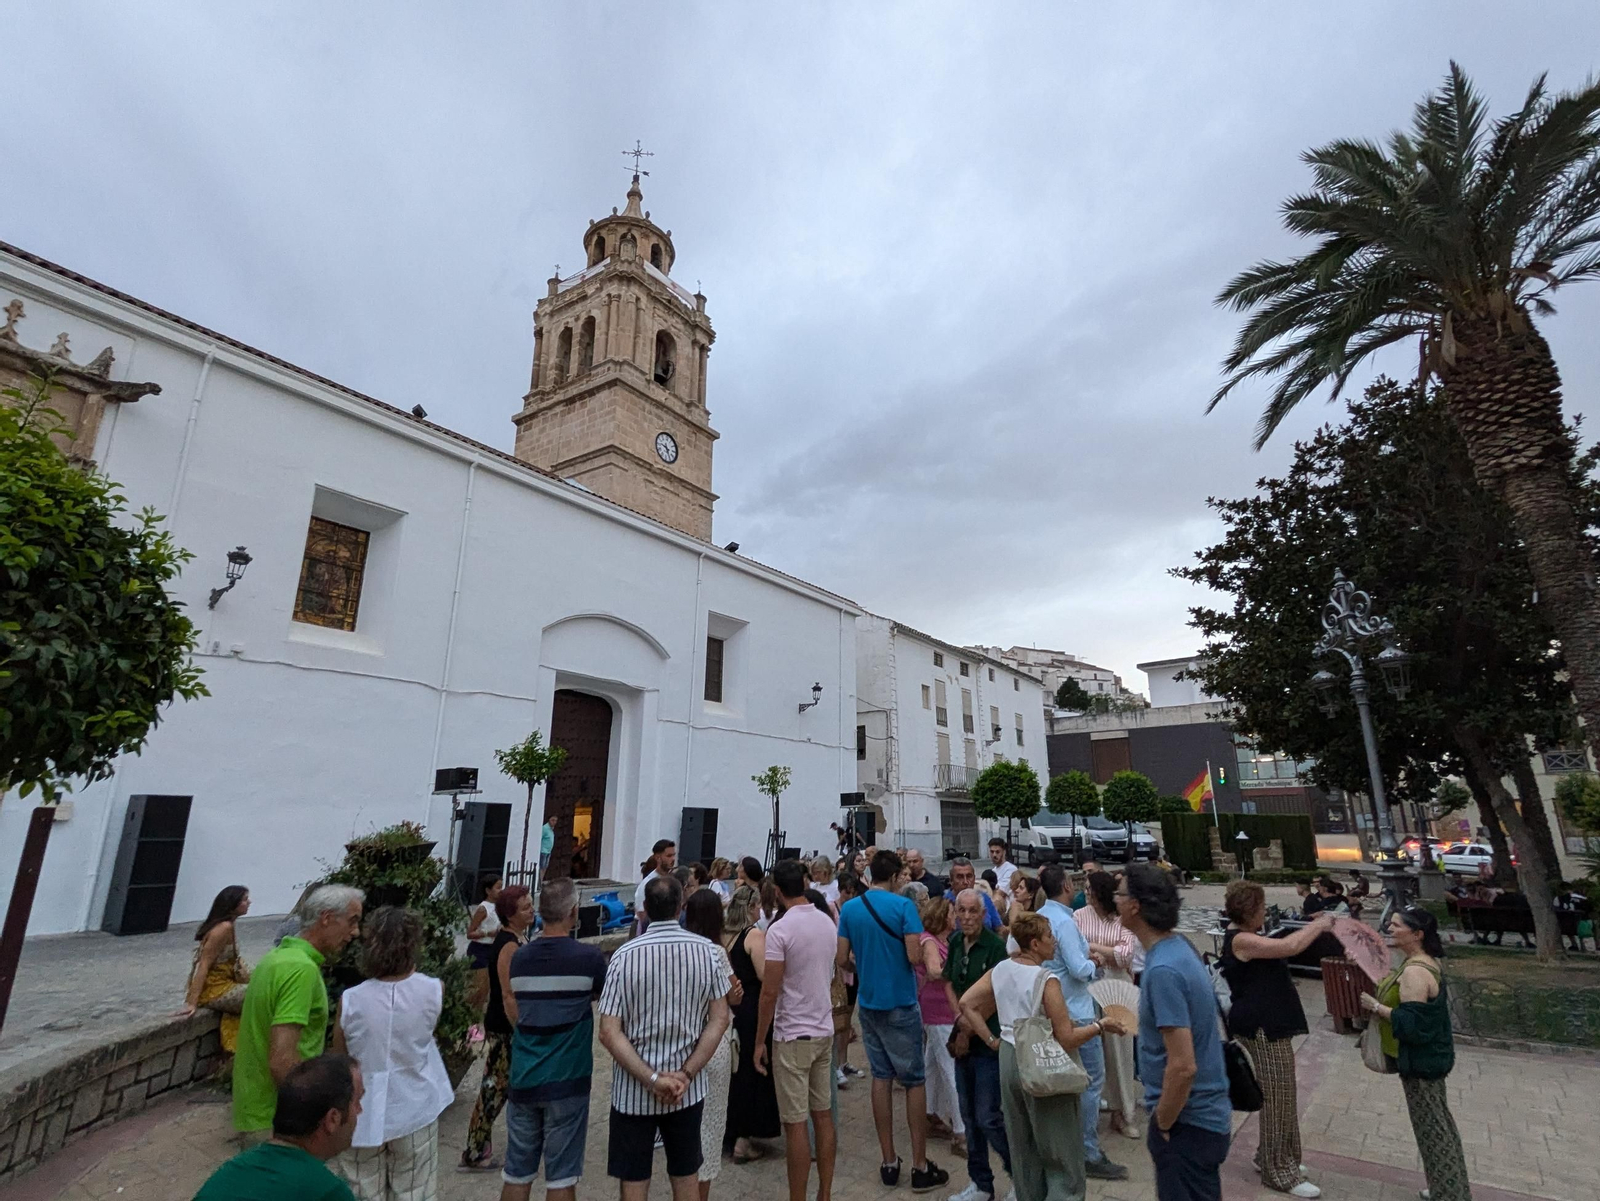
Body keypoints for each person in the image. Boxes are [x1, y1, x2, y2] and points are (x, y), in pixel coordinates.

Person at [956, 912, 1128, 1201]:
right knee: (1059, 1144)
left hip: (1009, 1055)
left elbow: (966, 1003)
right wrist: (1100, 1026)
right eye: (1050, 936)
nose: (1055, 941)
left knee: (1022, 1141)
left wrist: (991, 1039)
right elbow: (1066, 1037)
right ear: (1034, 944)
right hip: (1040, 1058)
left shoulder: (1001, 968)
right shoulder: (1046, 979)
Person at [598, 874, 732, 1201]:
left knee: (634, 1180)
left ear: (644, 907)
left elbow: (608, 1031)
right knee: (686, 1176)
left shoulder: (624, 956)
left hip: (634, 1087)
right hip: (687, 1088)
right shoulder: (707, 952)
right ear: (681, 907)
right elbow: (720, 1019)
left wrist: (652, 1078)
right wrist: (686, 1073)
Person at [836, 849, 949, 1192]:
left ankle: (888, 1160)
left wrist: (865, 966)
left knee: (881, 1076)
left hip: (869, 1003)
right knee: (914, 1080)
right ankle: (918, 1164)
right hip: (900, 1000)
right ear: (897, 875)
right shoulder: (903, 907)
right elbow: (914, 955)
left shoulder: (851, 908)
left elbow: (841, 958)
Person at [1116, 864, 1231, 1201]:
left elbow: (1183, 1066)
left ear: (1135, 905)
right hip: (1200, 1117)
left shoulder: (1164, 970)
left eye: (1119, 894)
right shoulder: (1177, 947)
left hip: (1188, 1123)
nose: (1116, 900)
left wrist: (1163, 1124)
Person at [1218, 881, 1334, 1199]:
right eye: (1262, 907)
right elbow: (1290, 948)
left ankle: (1280, 1156)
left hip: (1270, 1022)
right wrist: (1321, 924)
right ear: (1251, 910)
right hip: (1261, 1026)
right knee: (1277, 1096)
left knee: (1283, 1092)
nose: (1265, 912)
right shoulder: (1241, 939)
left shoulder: (1248, 936)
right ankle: (1277, 1169)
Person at [329, 907, 454, 1201]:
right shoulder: (434, 989)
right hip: (415, 1104)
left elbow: (340, 1055)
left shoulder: (351, 1000)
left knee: (360, 1190)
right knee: (415, 1192)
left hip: (360, 1110)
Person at [501, 877, 608, 1201]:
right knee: (561, 1179)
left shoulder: (521, 957)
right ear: (573, 912)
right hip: (567, 1078)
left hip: (524, 1075)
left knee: (517, 1173)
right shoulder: (588, 958)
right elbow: (604, 997)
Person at [234, 884, 364, 1141]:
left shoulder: (276, 958)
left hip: (256, 1109)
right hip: (279, 1118)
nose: (355, 932)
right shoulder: (301, 970)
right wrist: (314, 1112)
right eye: (352, 921)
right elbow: (282, 1059)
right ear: (326, 918)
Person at [1359, 907, 1469, 1201]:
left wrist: (1376, 1008)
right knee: (1439, 1125)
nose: (1390, 929)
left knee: (1433, 1132)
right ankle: (1447, 1187)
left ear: (1417, 934)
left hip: (1421, 1062)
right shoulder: (1422, 962)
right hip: (1431, 1058)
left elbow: (1412, 1025)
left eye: (1397, 926)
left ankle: (1449, 1194)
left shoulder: (1415, 972)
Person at [754, 859, 840, 1201]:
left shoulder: (780, 929)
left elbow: (770, 991)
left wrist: (759, 1040)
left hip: (792, 1033)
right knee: (823, 1115)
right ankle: (826, 1192)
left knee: (795, 1123)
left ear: (777, 891)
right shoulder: (826, 921)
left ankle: (798, 1197)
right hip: (823, 1028)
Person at [1035, 864, 1124, 1182]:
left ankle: (1059, 1144)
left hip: (1049, 1005)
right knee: (1090, 1079)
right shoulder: (1064, 921)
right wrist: (1095, 963)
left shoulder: (1042, 917)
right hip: (1076, 1007)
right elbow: (1078, 968)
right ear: (1066, 887)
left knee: (1061, 1079)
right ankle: (1087, 1149)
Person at [195, 1055, 364, 1201]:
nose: (360, 1111)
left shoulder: (233, 1170)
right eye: (356, 1102)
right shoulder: (327, 1192)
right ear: (333, 1119)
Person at [942, 889, 1012, 1201]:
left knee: (989, 1116)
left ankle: (1020, 1174)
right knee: (968, 1115)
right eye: (962, 911)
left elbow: (995, 997)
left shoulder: (996, 948)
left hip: (986, 1041)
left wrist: (968, 1029)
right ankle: (981, 1183)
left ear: (983, 915)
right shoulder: (956, 942)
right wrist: (959, 1018)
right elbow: (948, 982)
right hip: (962, 1040)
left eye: (973, 911)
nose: (967, 917)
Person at [461, 884, 534, 1171]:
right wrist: (519, 1028)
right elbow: (507, 993)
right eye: (525, 907)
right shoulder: (507, 945)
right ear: (510, 914)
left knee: (499, 1086)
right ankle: (475, 1150)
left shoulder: (515, 938)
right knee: (494, 1087)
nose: (531, 910)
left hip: (506, 1025)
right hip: (504, 1026)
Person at [1073, 870, 1141, 1140]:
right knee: (1090, 1049)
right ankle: (1094, 1109)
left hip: (1118, 986)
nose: (1086, 894)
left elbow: (1126, 956)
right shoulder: (1078, 916)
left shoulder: (1122, 919)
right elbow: (1073, 950)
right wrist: (1108, 950)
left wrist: (1092, 946)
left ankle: (1124, 1112)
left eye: (1090, 889)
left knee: (1120, 1053)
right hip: (1087, 985)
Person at [684, 889, 741, 1201]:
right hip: (713, 1041)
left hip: (682, 1042)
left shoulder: (678, 948)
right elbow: (733, 993)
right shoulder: (716, 952)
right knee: (709, 1125)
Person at [722, 881, 782, 1159]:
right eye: (758, 906)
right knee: (751, 1069)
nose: (761, 911)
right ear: (750, 907)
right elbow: (763, 974)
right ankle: (743, 1138)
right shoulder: (753, 936)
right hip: (752, 1009)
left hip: (731, 1008)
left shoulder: (725, 936)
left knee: (735, 1071)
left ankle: (730, 1130)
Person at [915, 897, 966, 1154]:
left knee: (932, 1064)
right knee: (951, 1068)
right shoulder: (930, 941)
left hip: (939, 1008)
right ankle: (960, 1131)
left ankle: (930, 1112)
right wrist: (958, 971)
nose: (955, 915)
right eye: (952, 912)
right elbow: (934, 971)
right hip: (938, 1011)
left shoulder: (945, 940)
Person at [181, 885, 253, 1051]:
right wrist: (192, 1002)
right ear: (232, 904)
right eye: (244, 899)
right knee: (263, 993)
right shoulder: (223, 929)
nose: (249, 902)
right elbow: (203, 964)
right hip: (215, 989)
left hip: (224, 983)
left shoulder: (228, 925)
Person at [832, 872, 866, 1087]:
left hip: (853, 968)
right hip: (838, 969)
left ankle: (843, 1061)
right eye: (846, 892)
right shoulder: (831, 908)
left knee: (847, 1019)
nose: (849, 896)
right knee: (837, 1018)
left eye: (852, 892)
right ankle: (834, 1065)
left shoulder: (854, 909)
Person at [467, 875, 504, 1010]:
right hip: (480, 949)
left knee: (488, 988)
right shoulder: (483, 909)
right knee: (479, 989)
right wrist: (488, 933)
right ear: (488, 891)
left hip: (492, 949)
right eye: (498, 888)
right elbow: (470, 933)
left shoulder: (498, 907)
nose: (501, 890)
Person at [948, 858, 1002, 931]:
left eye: (969, 876)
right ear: (951, 881)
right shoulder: (944, 904)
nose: (966, 882)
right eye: (960, 877)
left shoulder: (984, 898)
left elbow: (999, 928)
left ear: (974, 879)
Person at [637, 839, 679, 924]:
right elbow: (641, 913)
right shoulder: (647, 883)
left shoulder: (674, 880)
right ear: (658, 857)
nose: (673, 859)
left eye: (674, 855)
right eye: (669, 856)